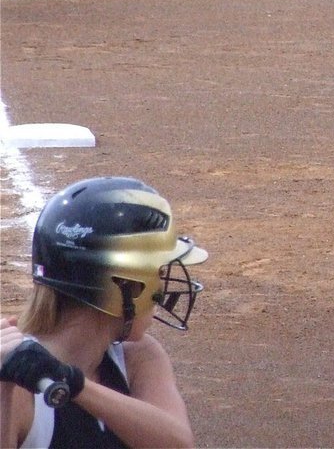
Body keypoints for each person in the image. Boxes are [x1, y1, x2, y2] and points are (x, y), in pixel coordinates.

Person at [0, 176, 208, 448]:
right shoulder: (19, 390)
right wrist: (3, 388)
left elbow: (177, 444)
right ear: (127, 286)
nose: (163, 284)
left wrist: (73, 384)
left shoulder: (139, 357)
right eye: (157, 271)